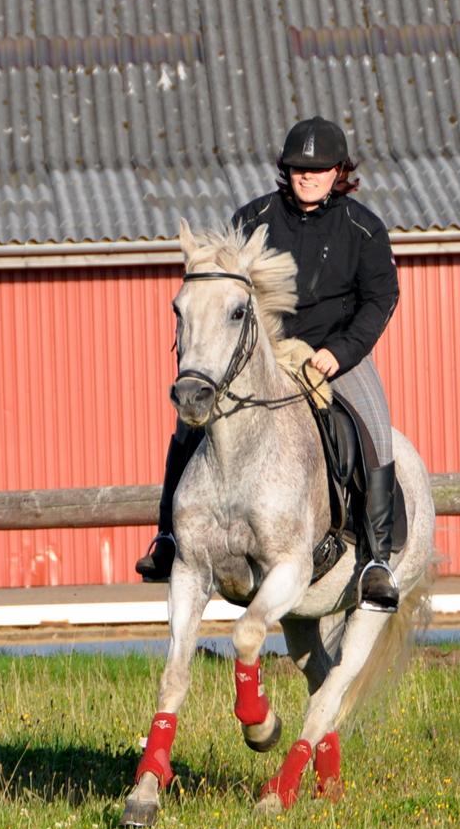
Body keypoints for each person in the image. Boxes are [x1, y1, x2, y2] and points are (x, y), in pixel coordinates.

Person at [136, 116, 402, 611]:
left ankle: (376, 559)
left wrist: (340, 353)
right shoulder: (253, 218)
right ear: (286, 170)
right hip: (262, 353)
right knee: (188, 423)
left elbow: (381, 298)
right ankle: (169, 538)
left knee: (375, 427)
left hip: (333, 355)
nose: (308, 177)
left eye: (319, 169)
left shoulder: (364, 228)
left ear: (338, 172)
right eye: (299, 169)